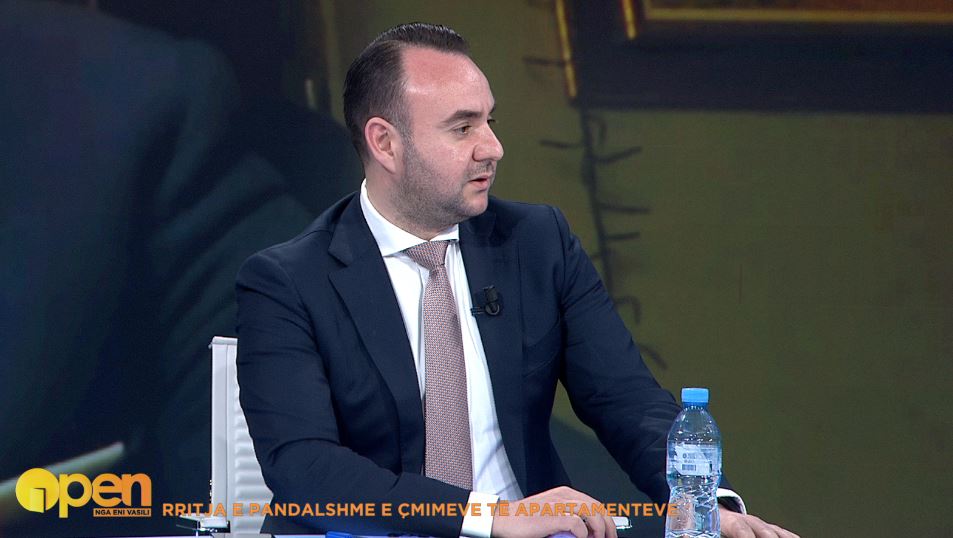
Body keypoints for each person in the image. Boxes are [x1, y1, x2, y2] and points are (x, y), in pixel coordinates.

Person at [236, 23, 799, 538]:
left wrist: (707, 508)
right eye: (463, 128)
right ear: (385, 143)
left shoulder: (537, 242)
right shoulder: (289, 283)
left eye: (490, 121)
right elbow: (305, 467)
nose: (492, 148)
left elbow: (624, 398)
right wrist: (490, 517)